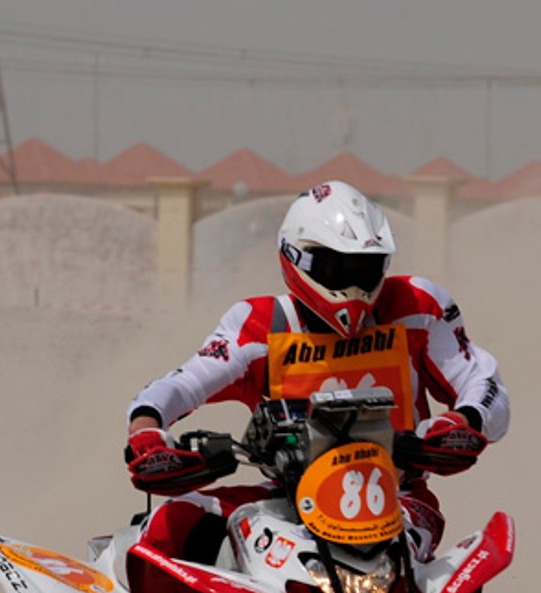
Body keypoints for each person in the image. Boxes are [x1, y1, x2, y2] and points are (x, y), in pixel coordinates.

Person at [123, 179, 509, 563]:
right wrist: (147, 433)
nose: (354, 284)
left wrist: (465, 420)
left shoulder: (420, 306)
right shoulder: (259, 324)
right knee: (166, 525)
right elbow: (178, 386)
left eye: (366, 267)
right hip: (282, 502)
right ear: (296, 257)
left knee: (416, 562)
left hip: (398, 502)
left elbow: (484, 383)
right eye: (337, 267)